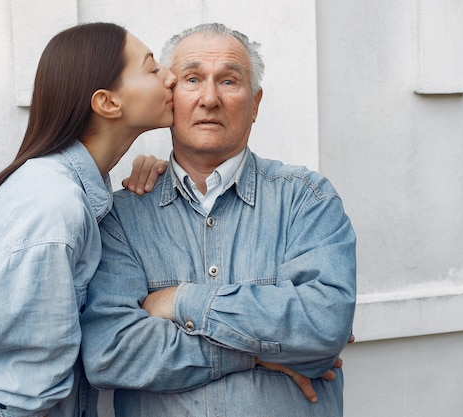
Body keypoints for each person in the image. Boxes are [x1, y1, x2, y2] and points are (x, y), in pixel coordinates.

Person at [0, 22, 176, 417]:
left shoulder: (68, 189)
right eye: (152, 69)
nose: (170, 77)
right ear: (108, 103)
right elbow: (27, 396)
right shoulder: (53, 208)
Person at [80, 22, 356, 417]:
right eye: (192, 79)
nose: (209, 98)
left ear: (255, 103)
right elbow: (111, 352)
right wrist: (256, 355)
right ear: (169, 96)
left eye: (228, 81)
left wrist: (178, 300)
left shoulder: (307, 199)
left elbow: (323, 323)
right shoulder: (122, 215)